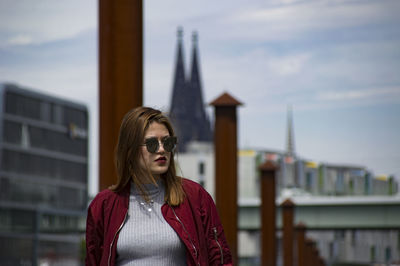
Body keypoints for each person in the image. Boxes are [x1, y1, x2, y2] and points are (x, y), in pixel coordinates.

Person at [85, 106, 233, 266]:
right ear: (130, 150)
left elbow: (219, 259)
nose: (162, 150)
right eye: (152, 144)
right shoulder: (103, 205)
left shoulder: (195, 197)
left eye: (168, 142)